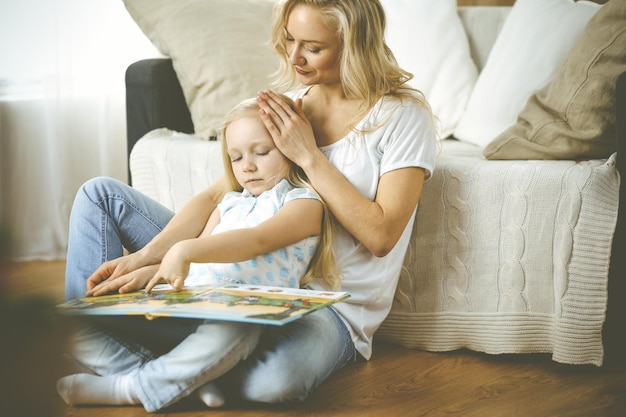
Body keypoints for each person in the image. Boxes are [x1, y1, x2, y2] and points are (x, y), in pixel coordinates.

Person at [59, 0, 437, 410]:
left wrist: (308, 155)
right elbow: (215, 197)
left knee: (271, 385)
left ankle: (141, 365)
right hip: (236, 267)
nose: (294, 57)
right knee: (99, 195)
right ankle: (153, 364)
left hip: (329, 307)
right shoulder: (289, 105)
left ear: (355, 44)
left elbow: (381, 236)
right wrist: (148, 257)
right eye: (290, 40)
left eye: (313, 47)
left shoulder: (402, 116)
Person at [57, 96, 339, 411]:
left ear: (290, 148)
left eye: (261, 152)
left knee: (237, 327)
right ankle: (187, 382)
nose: (247, 166)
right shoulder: (229, 203)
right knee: (72, 326)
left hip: (237, 315)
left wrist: (185, 249)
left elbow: (257, 240)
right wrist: (144, 272)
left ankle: (130, 387)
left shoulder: (304, 203)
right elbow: (192, 262)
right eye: (236, 158)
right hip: (188, 303)